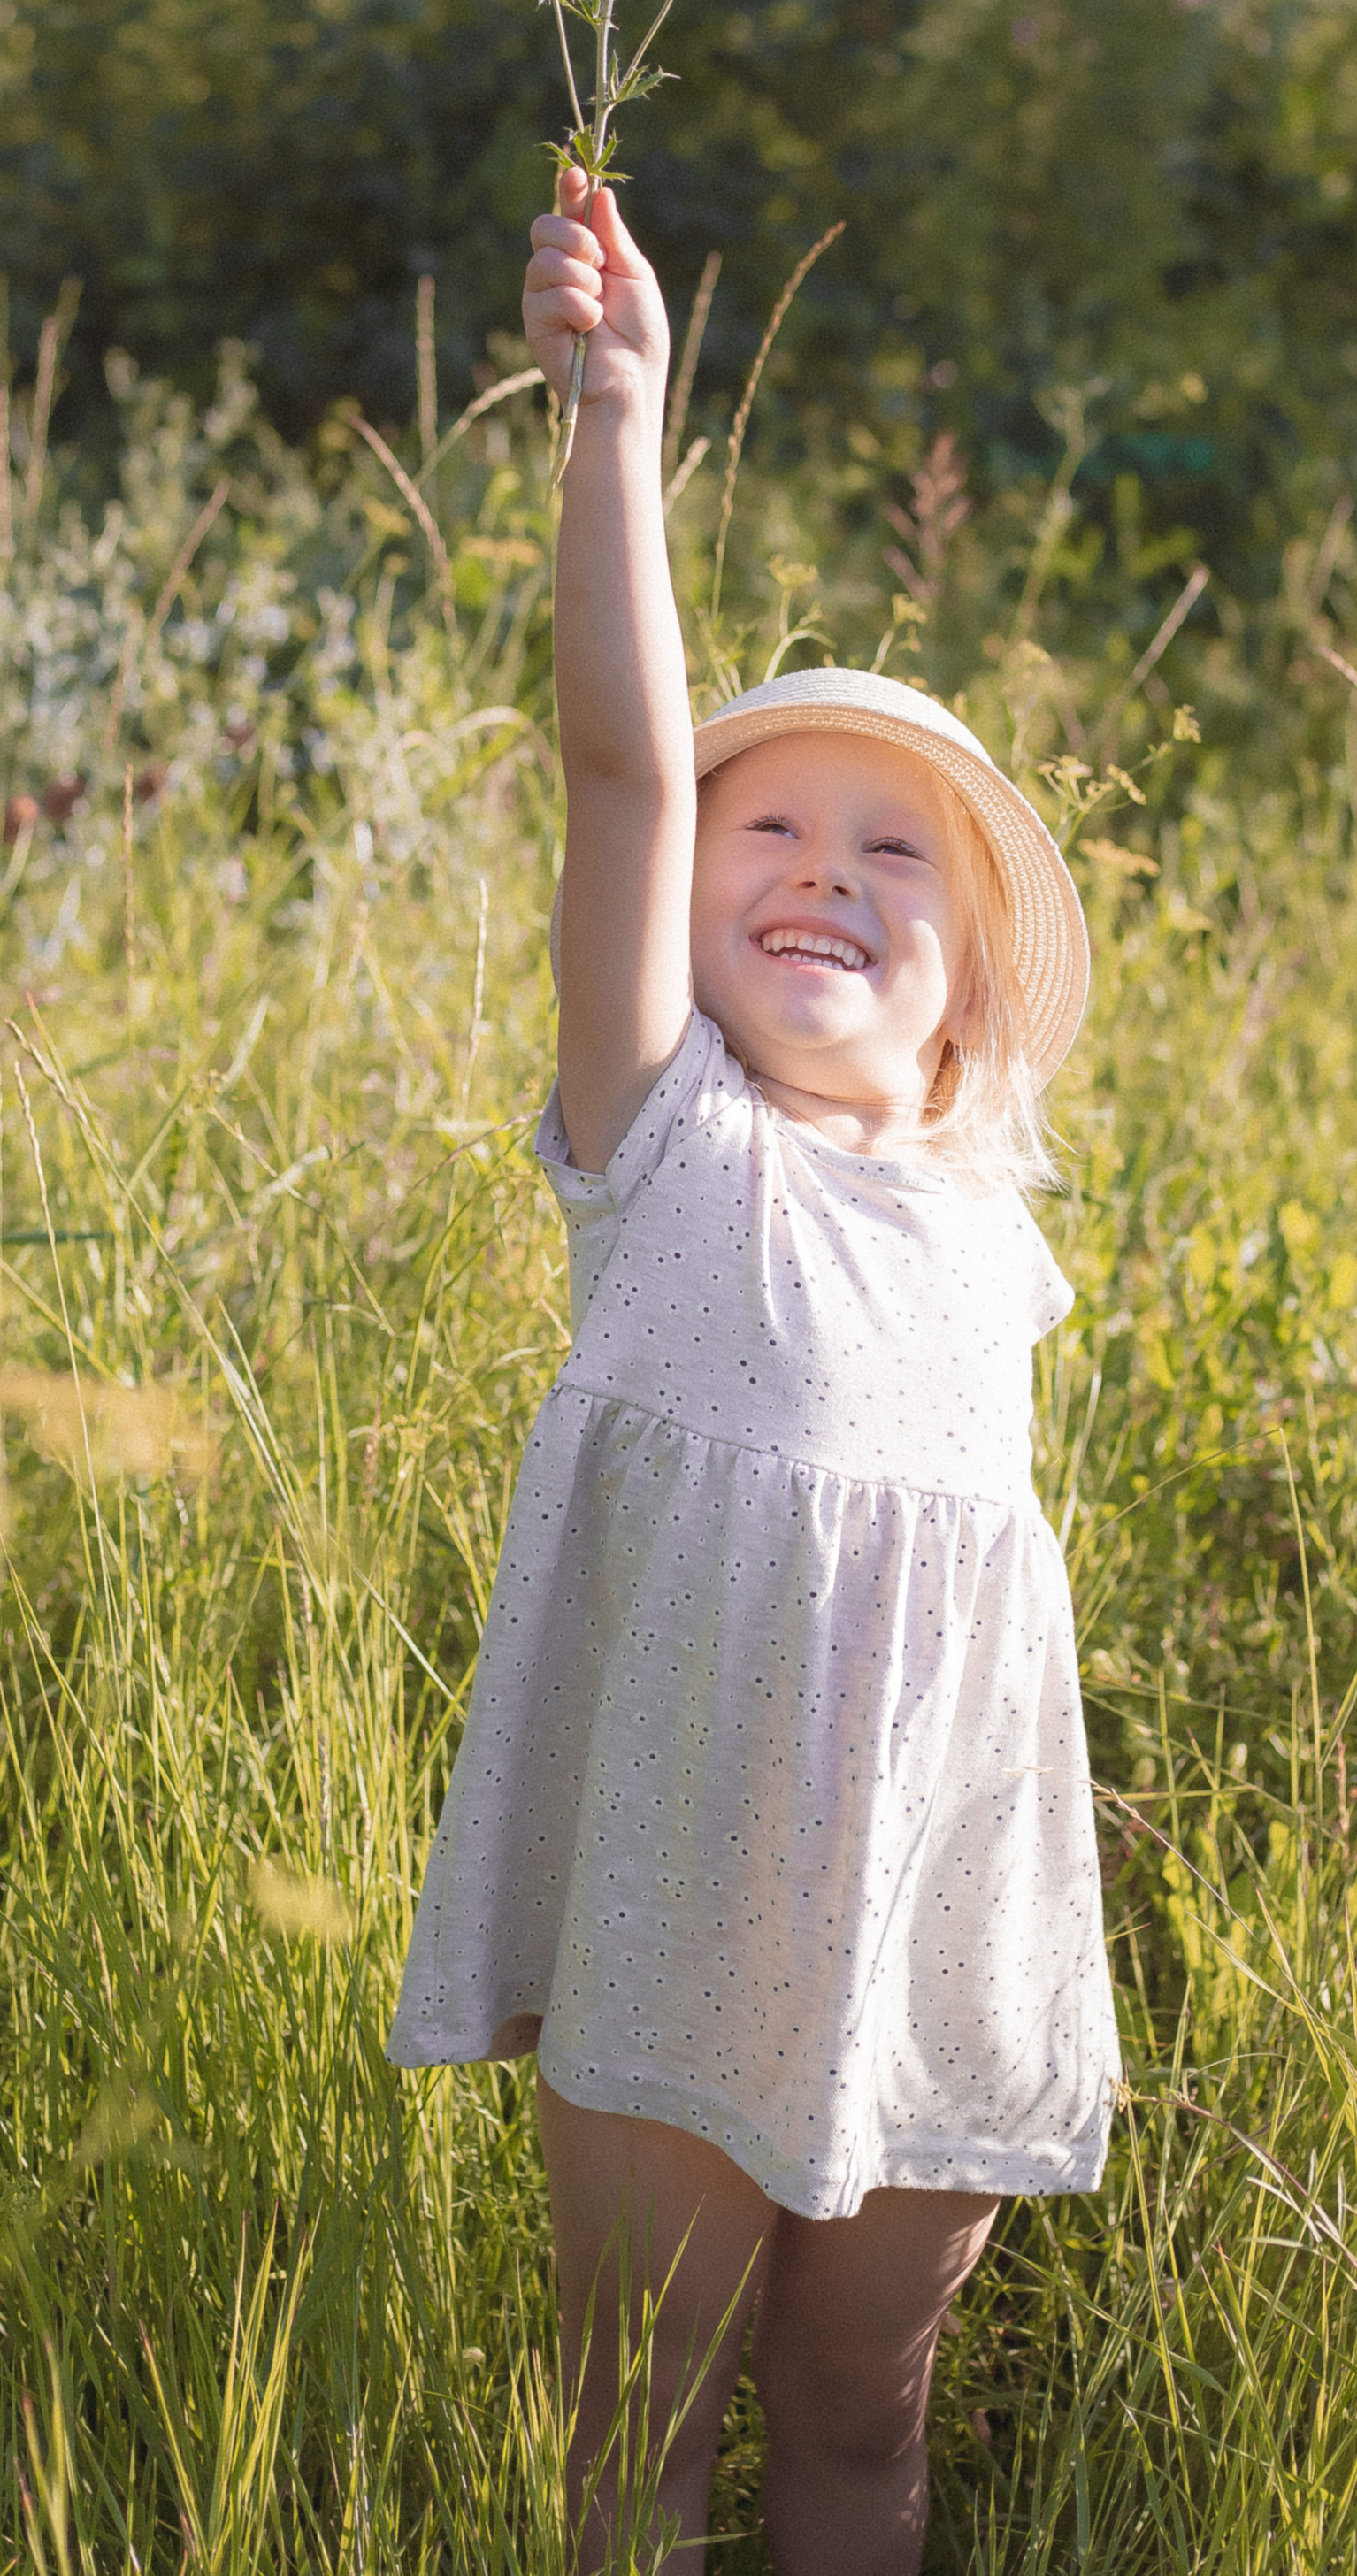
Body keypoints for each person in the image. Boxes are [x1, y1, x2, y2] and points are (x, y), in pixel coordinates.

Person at [387, 175, 1119, 2575]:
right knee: (634, 2440)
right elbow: (616, 769)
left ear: (976, 993)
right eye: (771, 824)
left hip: (929, 1904)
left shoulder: (999, 1242)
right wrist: (621, 417)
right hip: (670, 1896)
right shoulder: (669, 1140)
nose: (819, 862)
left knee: (858, 2422)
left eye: (895, 851)